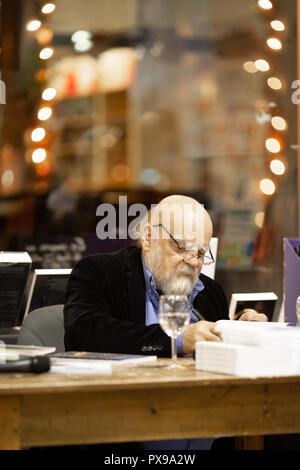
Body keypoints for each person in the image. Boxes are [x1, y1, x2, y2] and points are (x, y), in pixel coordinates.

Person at [64, 194, 267, 450]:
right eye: (181, 247)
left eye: (201, 253)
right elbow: (84, 332)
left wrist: (242, 329)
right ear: (148, 238)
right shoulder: (99, 273)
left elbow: (219, 350)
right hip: (126, 438)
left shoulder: (210, 291)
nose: (193, 262)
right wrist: (179, 338)